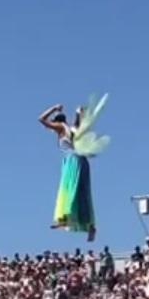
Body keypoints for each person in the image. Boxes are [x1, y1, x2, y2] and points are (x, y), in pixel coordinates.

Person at [38, 95, 109, 242]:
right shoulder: (73, 128)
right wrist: (78, 113)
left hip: (72, 161)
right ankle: (90, 225)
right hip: (82, 161)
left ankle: (65, 217)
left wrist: (53, 108)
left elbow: (41, 119)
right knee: (82, 193)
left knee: (69, 189)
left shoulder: (60, 127)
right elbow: (78, 122)